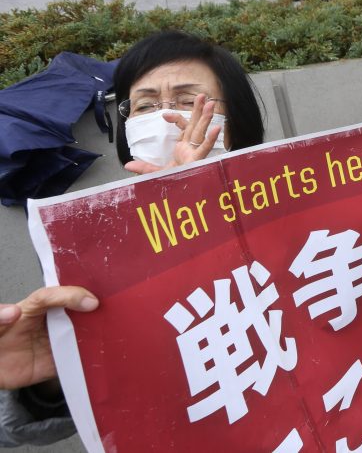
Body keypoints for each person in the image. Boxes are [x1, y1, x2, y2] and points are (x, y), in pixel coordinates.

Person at [1, 31, 267, 447]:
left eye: (187, 101)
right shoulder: (90, 247)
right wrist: (55, 379)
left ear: (238, 118)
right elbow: (27, 427)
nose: (165, 117)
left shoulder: (298, 202)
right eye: (144, 105)